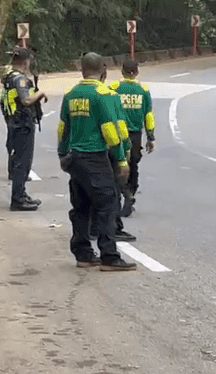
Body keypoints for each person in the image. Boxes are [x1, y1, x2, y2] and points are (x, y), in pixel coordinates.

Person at [58, 52, 136, 271]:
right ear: (103, 69)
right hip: (95, 157)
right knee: (107, 205)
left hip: (75, 158)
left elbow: (63, 128)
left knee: (80, 206)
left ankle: (83, 254)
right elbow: (112, 131)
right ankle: (109, 256)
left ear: (82, 70)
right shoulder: (104, 94)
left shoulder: (71, 94)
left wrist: (62, 154)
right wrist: (121, 159)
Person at [0, 47, 46, 211]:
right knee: (23, 162)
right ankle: (18, 199)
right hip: (22, 124)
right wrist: (40, 93)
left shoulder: (8, 77)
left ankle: (21, 194)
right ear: (26, 62)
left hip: (14, 122)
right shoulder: (20, 79)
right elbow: (26, 100)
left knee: (20, 160)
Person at [109, 59, 155, 218]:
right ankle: (131, 192)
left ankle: (124, 194)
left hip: (116, 134)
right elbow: (148, 116)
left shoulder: (114, 88)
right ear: (136, 72)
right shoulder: (143, 90)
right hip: (135, 135)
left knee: (117, 165)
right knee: (133, 165)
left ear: (122, 71)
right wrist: (150, 137)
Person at [98, 68, 135, 242]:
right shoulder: (110, 97)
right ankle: (115, 229)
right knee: (112, 192)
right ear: (103, 75)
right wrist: (123, 155)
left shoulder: (73, 94)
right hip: (108, 150)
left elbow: (63, 128)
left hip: (83, 152)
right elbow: (118, 128)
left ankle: (91, 229)